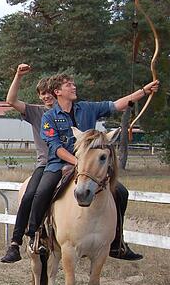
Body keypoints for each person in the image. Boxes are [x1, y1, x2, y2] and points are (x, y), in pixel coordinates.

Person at [26, 74, 160, 260]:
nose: (73, 87)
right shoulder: (49, 116)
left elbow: (116, 105)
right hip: (60, 163)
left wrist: (143, 91)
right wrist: (76, 161)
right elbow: (55, 147)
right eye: (68, 85)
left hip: (89, 166)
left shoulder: (88, 108)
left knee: (121, 192)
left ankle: (117, 243)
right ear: (57, 92)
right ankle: (36, 236)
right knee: (42, 192)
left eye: (73, 83)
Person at [0, 64, 55, 263]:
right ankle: (16, 244)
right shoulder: (36, 112)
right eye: (42, 93)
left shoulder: (71, 112)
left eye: (50, 92)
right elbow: (11, 100)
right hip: (45, 164)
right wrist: (18, 75)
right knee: (30, 194)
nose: (46, 96)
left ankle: (113, 240)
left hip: (72, 164)